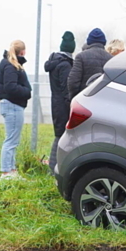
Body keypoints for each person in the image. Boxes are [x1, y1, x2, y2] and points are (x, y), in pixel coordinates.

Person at [0, 40, 32, 180]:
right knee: (11, 140)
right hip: (13, 105)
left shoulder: (9, 64)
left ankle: (11, 170)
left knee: (12, 140)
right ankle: (6, 172)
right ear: (22, 51)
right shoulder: (11, 66)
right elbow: (10, 87)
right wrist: (27, 92)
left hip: (11, 105)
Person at [44, 31, 75, 172]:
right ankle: (54, 168)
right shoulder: (65, 65)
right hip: (63, 105)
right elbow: (66, 89)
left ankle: (53, 167)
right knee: (62, 137)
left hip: (55, 103)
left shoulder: (54, 62)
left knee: (59, 135)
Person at [67, 28, 113, 99]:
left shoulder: (81, 57)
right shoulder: (110, 58)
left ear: (89, 42)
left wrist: (75, 97)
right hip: (103, 99)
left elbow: (73, 82)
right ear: (104, 42)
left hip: (84, 99)